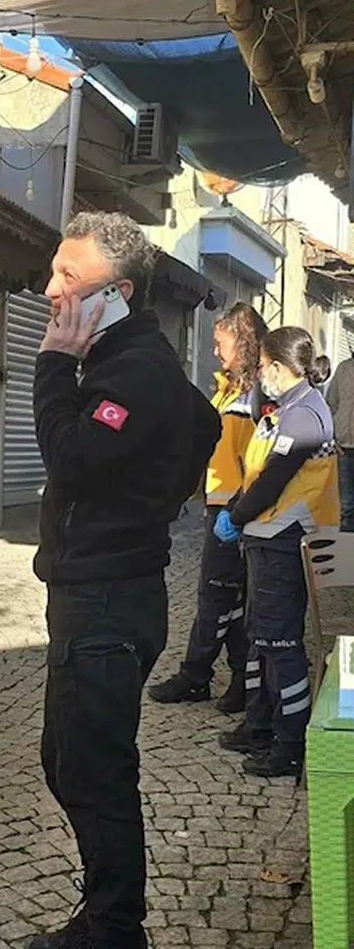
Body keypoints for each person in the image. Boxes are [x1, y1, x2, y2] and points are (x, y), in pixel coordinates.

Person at [22, 212, 221, 949]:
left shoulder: (132, 369)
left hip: (107, 600)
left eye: (69, 279)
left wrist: (49, 365)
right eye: (54, 272)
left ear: (120, 293)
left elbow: (70, 459)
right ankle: (100, 916)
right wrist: (156, 496)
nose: (51, 291)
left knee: (98, 777)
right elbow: (203, 422)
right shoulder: (131, 363)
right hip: (97, 593)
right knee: (67, 762)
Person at [216, 328, 337, 778]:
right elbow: (256, 471)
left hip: (286, 541)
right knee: (261, 637)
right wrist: (238, 510)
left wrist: (236, 516)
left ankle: (290, 744)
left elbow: (273, 481)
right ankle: (260, 725)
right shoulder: (284, 409)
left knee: (280, 643)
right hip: (268, 538)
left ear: (281, 368)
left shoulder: (304, 416)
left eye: (264, 366)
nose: (259, 374)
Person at [148, 303, 266, 713]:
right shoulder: (228, 389)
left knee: (216, 595)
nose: (215, 351)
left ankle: (199, 676)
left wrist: (237, 510)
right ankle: (236, 678)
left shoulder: (254, 397)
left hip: (235, 509)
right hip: (219, 504)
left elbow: (258, 460)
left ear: (242, 343)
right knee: (226, 596)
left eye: (220, 343)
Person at [324, 354, 354, 530]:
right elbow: (331, 404)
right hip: (343, 449)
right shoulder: (344, 368)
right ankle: (347, 544)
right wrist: (333, 437)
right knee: (346, 506)